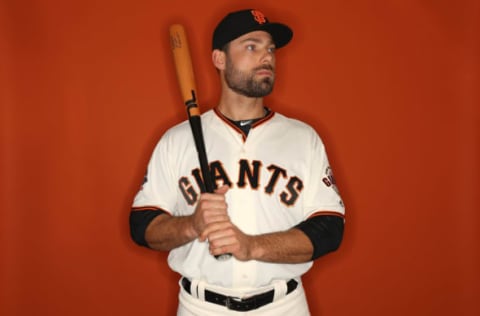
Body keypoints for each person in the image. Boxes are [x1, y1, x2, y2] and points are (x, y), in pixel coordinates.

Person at [130, 8, 345, 315]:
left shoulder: (303, 138)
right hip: (200, 307)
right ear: (219, 59)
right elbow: (142, 226)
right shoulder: (176, 140)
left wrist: (251, 246)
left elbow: (329, 229)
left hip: (283, 306)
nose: (266, 57)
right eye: (251, 46)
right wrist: (192, 225)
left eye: (270, 48)